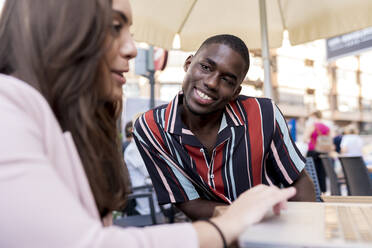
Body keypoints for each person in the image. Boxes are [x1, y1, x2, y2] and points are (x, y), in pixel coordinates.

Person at [0, 0, 297, 247]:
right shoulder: (7, 105)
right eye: (115, 27)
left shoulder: (63, 125)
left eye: (130, 31)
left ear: (236, 91)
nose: (131, 48)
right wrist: (233, 220)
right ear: (55, 26)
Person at [133, 34, 315, 220]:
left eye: (227, 80)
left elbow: (299, 181)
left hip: (275, 225)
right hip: (214, 232)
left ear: (236, 92)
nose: (211, 82)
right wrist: (250, 218)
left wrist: (303, 231)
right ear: (188, 64)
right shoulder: (151, 127)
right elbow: (188, 203)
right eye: (205, 67)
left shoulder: (263, 113)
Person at [304, 110, 331, 193]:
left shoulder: (312, 126)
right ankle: (323, 191)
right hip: (324, 151)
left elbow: (305, 139)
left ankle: (314, 191)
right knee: (322, 173)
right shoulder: (327, 127)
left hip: (313, 151)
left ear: (314, 116)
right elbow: (330, 140)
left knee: (311, 172)